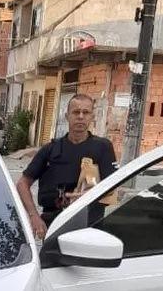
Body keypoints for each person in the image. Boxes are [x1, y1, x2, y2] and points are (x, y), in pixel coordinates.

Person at [16, 93, 117, 239]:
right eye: (76, 112)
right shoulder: (51, 149)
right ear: (67, 116)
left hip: (88, 227)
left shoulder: (103, 147)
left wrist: (84, 195)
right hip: (53, 225)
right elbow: (22, 184)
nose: (81, 116)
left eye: (86, 112)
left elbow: (112, 190)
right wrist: (34, 216)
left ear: (92, 117)